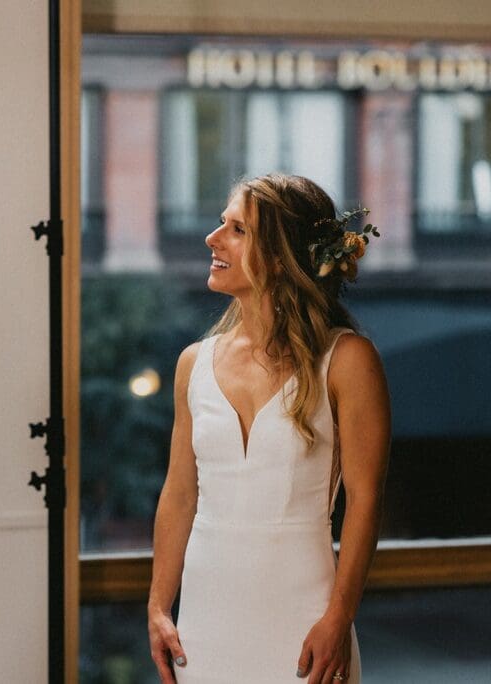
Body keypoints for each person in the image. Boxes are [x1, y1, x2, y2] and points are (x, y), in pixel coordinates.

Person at [147, 174, 391, 684]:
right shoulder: (194, 363)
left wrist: (338, 618)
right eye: (221, 223)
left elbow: (365, 500)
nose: (214, 239)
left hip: (305, 621)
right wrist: (158, 607)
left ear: (279, 257)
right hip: (205, 623)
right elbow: (179, 493)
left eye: (237, 229)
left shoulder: (346, 360)